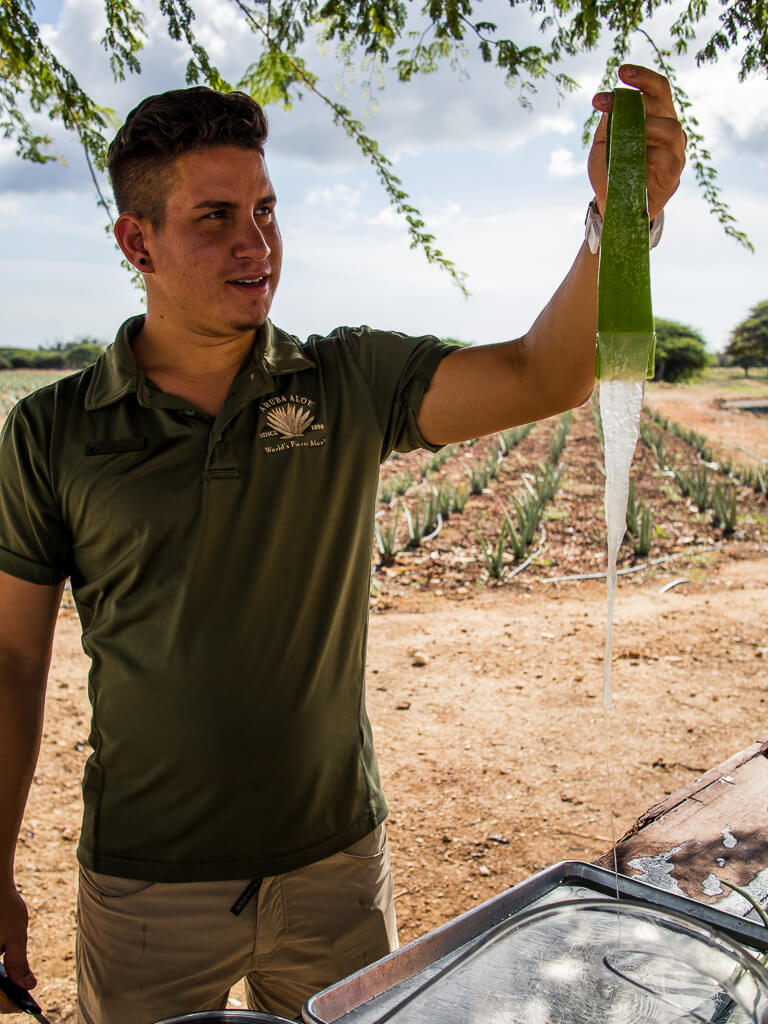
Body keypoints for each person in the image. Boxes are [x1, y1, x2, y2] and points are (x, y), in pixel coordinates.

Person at [0, 65, 686, 1023]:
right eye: (215, 218)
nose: (256, 244)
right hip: (147, 886)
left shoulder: (344, 379)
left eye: (268, 210)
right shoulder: (54, 429)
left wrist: (621, 221)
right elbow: (12, 659)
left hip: (335, 868)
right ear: (135, 240)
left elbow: (549, 370)